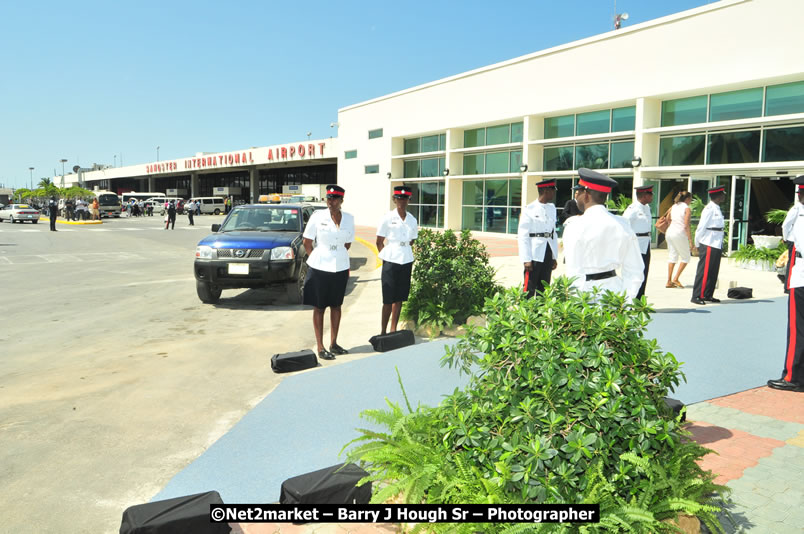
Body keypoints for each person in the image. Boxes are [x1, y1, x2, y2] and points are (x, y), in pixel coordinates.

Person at [562, 168, 644, 303]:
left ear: (586, 195)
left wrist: (577, 306)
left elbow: (573, 272)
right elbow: (635, 270)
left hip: (585, 296)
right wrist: (625, 303)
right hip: (615, 293)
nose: (576, 197)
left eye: (579, 193)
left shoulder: (575, 225)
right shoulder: (622, 224)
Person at [303, 185, 354, 360]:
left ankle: (334, 343)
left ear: (341, 201)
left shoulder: (348, 218)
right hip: (320, 266)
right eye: (328, 198)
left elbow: (348, 243)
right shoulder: (318, 217)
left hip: (339, 265)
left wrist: (336, 253)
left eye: (334, 199)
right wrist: (316, 257)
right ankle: (320, 346)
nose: (331, 202)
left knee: (337, 305)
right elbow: (307, 241)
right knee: (319, 307)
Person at [769, 175, 804, 392]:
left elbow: (790, 238)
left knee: (797, 328)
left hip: (801, 274)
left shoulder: (801, 212)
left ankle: (792, 376)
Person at [376, 186, 418, 335]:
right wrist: (386, 256)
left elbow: (412, 240)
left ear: (408, 200)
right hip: (390, 259)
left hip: (406, 259)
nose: (402, 201)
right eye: (399, 199)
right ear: (394, 200)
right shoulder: (387, 218)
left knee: (399, 297)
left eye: (405, 199)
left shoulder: (412, 220)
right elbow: (379, 241)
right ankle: (383, 331)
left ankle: (393, 330)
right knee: (388, 298)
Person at [517, 179, 558, 296]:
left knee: (544, 287)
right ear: (545, 190)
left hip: (547, 251)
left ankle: (542, 313)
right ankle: (526, 312)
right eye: (552, 190)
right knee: (529, 287)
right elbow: (523, 235)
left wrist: (554, 256)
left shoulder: (552, 208)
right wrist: (526, 259)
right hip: (534, 253)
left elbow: (553, 233)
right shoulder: (529, 209)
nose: (554, 193)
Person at [690, 186, 727, 305]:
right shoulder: (709, 209)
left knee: (713, 271)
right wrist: (697, 243)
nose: (724, 196)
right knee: (704, 271)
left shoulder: (717, 208)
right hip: (708, 242)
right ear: (718, 196)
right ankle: (697, 295)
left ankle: (708, 294)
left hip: (716, 242)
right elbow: (701, 227)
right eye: (722, 194)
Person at [623, 185, 654, 300]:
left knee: (644, 272)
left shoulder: (647, 208)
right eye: (650, 194)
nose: (652, 197)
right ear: (644, 195)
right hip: (636, 244)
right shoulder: (633, 209)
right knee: (635, 273)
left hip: (646, 244)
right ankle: (631, 299)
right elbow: (624, 225)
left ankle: (640, 299)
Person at [665, 191, 694, 289]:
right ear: (687, 199)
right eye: (690, 199)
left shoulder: (673, 206)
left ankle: (669, 281)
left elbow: (668, 219)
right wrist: (690, 240)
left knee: (672, 256)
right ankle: (676, 278)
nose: (691, 201)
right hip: (680, 233)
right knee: (686, 257)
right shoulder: (686, 208)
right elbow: (686, 225)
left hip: (670, 232)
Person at [781, 186, 801, 294]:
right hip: (793, 240)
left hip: (800, 241)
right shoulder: (796, 209)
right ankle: (787, 286)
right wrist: (785, 238)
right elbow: (786, 225)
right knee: (792, 262)